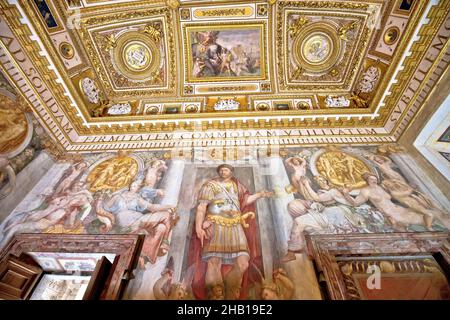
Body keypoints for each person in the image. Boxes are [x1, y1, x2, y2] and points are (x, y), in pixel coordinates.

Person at [188, 164, 272, 300]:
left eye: (226, 169)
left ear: (232, 172)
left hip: (235, 225)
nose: (222, 171)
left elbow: (245, 201)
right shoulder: (210, 185)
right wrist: (199, 227)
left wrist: (260, 194)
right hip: (215, 224)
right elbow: (202, 207)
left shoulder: (237, 186)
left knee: (243, 262)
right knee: (214, 262)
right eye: (221, 169)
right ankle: (215, 297)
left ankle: (230, 295)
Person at [341, 173, 434, 230]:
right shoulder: (366, 190)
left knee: (426, 219)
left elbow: (396, 193)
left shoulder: (382, 188)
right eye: (371, 179)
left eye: (375, 179)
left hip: (399, 209)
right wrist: (346, 194)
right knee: (407, 229)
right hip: (389, 213)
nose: (374, 180)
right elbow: (355, 203)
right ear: (367, 181)